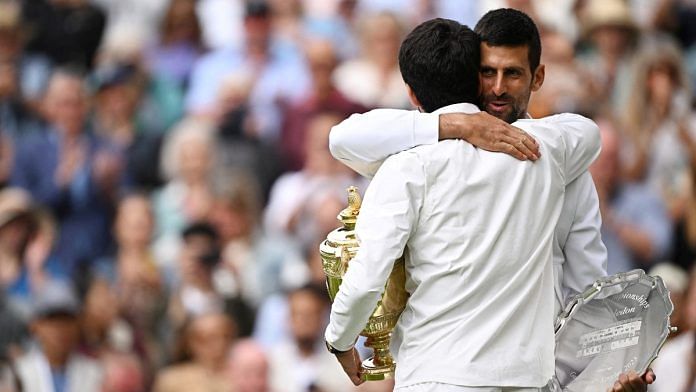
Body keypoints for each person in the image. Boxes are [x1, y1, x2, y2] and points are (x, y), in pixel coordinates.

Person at [328, 9, 655, 390]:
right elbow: (341, 138)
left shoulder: (554, 158)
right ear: (471, 74)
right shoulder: (553, 153)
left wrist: (615, 366)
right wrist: (457, 124)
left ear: (538, 76)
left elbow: (587, 287)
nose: (498, 87)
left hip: (479, 376)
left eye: (512, 73)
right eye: (488, 72)